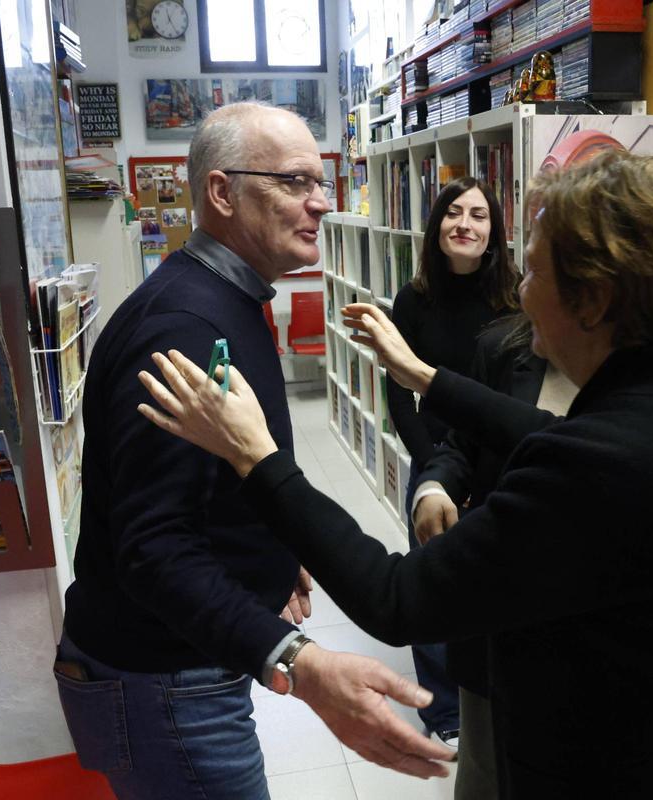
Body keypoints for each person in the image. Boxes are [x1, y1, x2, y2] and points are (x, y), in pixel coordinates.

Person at [135, 151, 653, 798]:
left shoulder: (609, 465)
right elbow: (551, 436)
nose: (519, 290)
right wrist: (425, 378)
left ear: (596, 300)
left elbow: (398, 598)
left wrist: (258, 458)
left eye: (534, 274)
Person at [54, 101, 453, 800]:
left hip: (184, 669)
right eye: (295, 182)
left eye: (322, 182)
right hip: (165, 683)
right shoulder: (182, 326)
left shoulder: (225, 297)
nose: (322, 204)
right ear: (221, 193)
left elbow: (215, 472)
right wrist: (295, 660)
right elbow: (153, 547)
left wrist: (269, 551)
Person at [410, 313, 576, 799]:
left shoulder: (644, 367)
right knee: (485, 775)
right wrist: (435, 485)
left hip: (586, 636)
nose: (524, 288)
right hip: (497, 621)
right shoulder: (506, 346)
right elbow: (462, 444)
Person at [388, 176, 518, 750]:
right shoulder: (414, 298)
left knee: (494, 583)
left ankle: (492, 691)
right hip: (436, 463)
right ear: (438, 225)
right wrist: (431, 469)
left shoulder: (514, 297)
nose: (465, 224)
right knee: (434, 585)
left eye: (479, 216)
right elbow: (398, 392)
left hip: (498, 460)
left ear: (494, 232)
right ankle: (444, 710)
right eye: (454, 213)